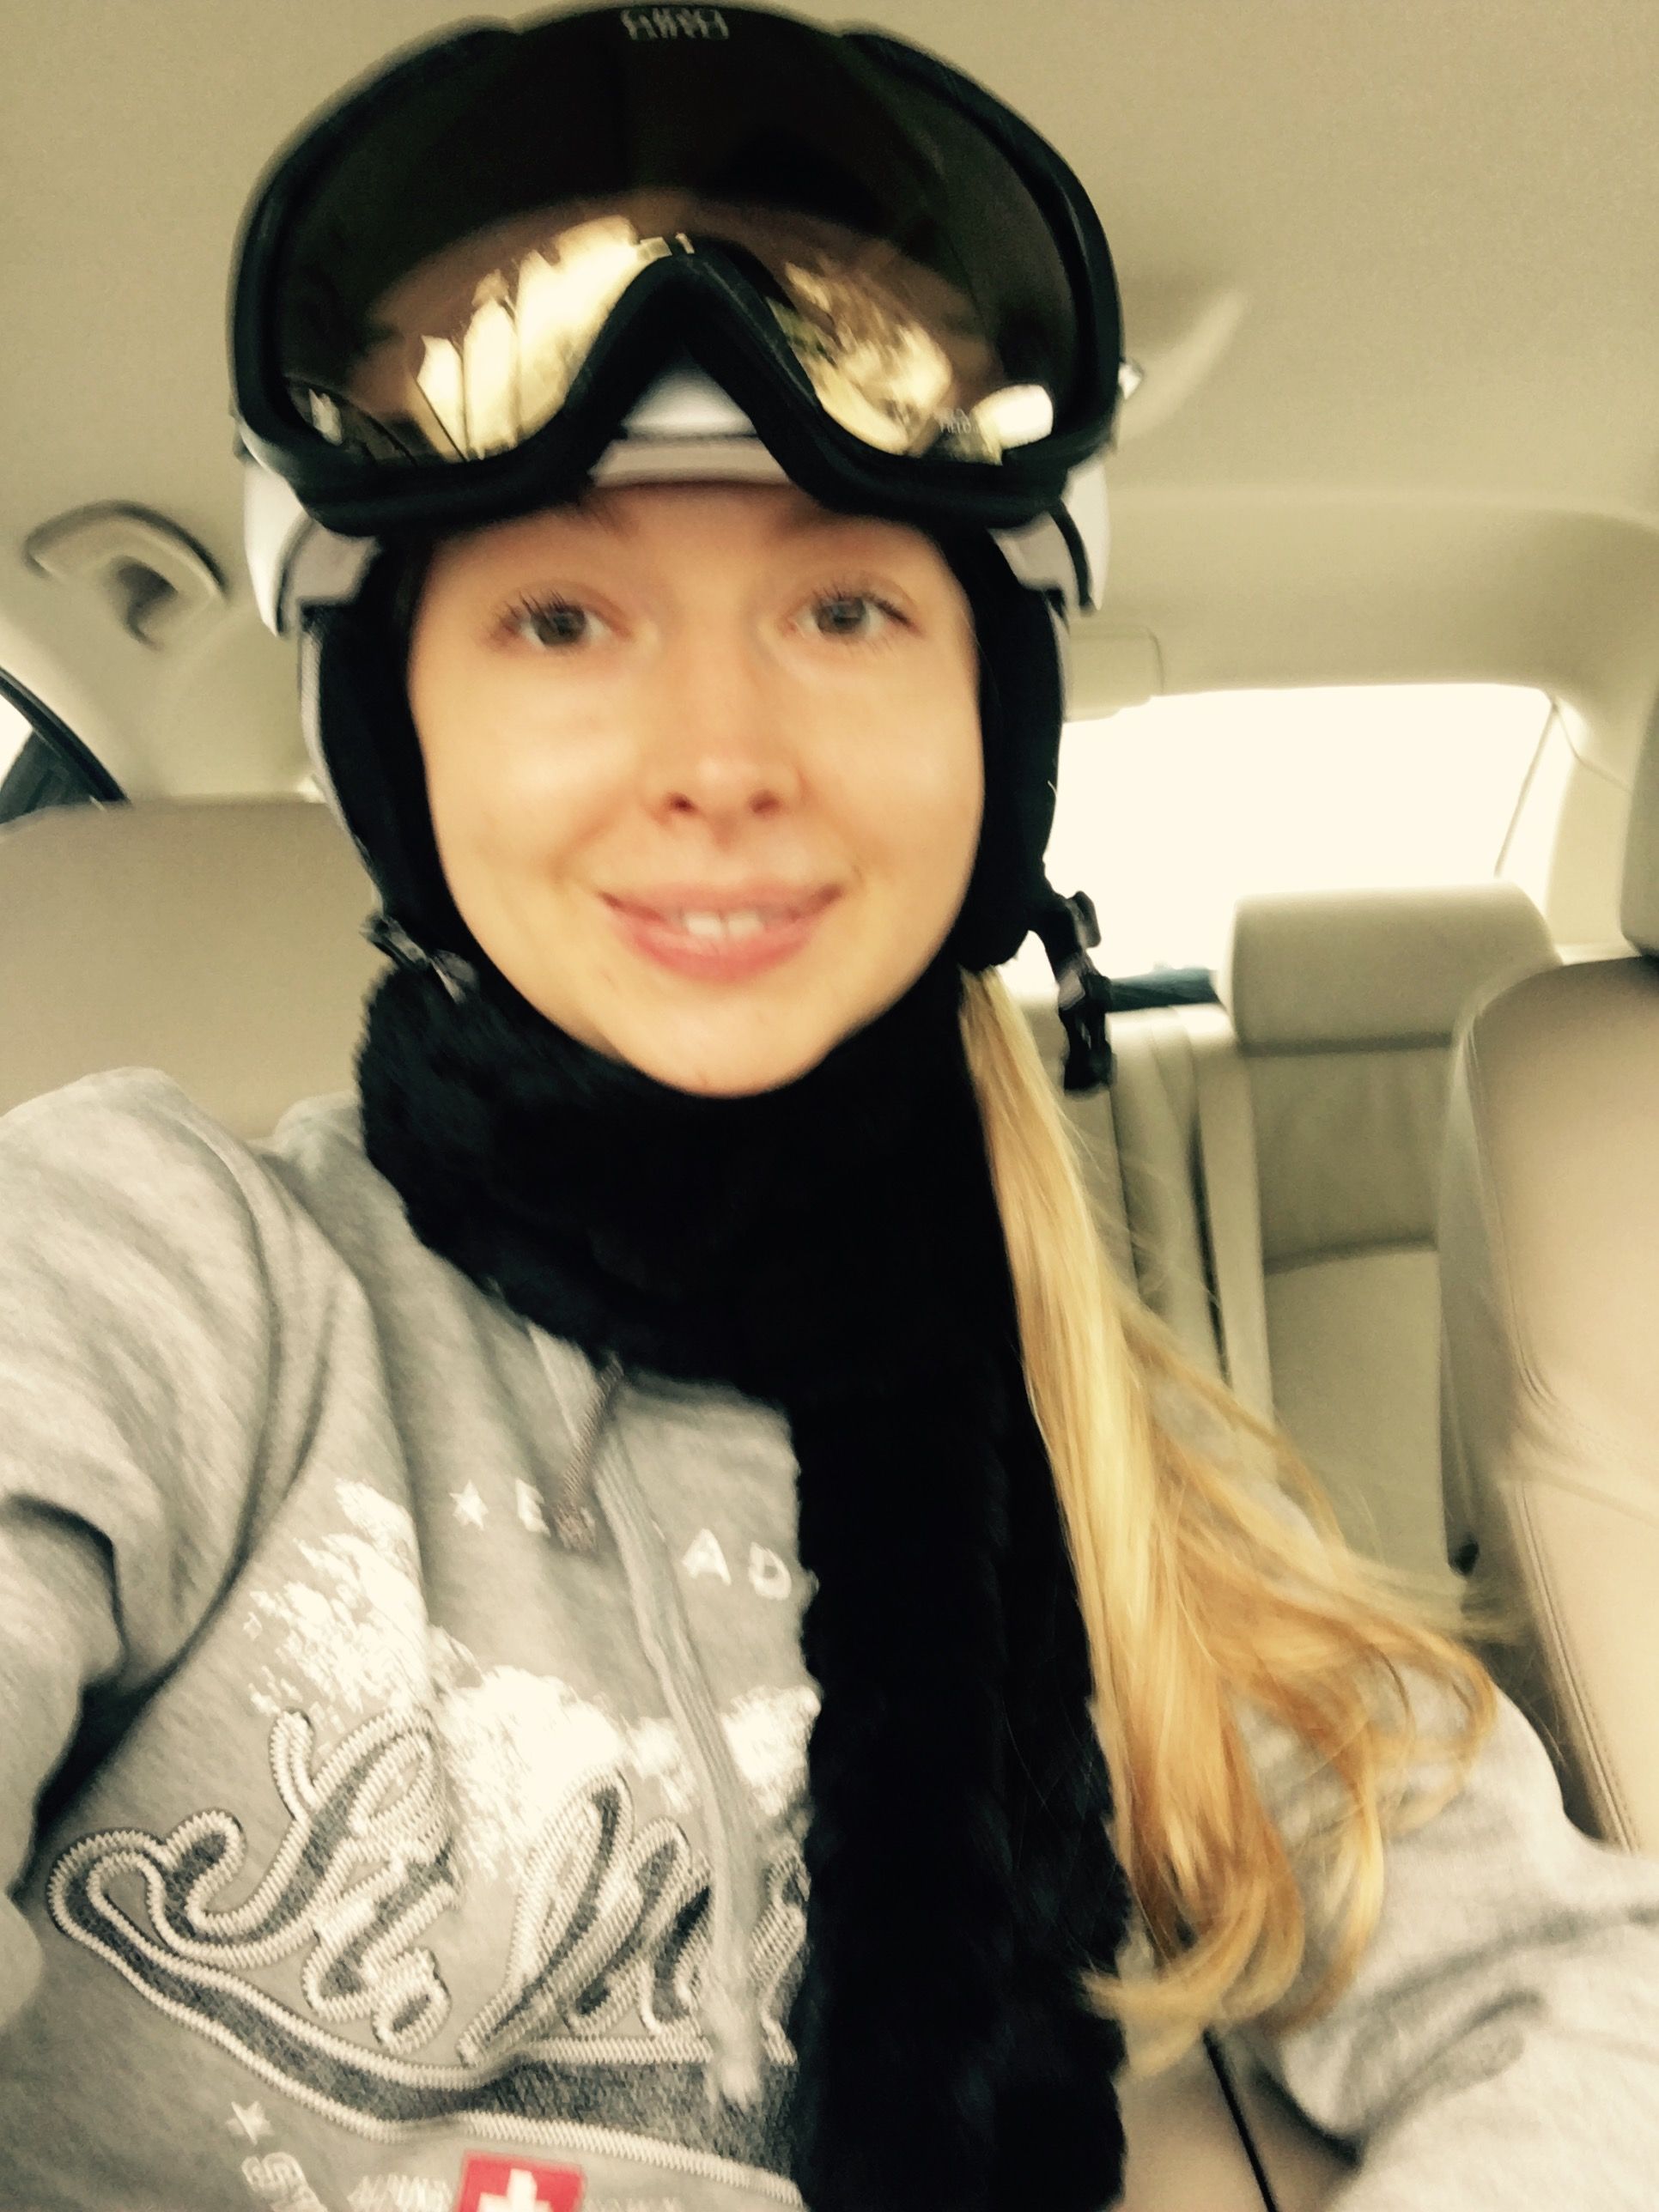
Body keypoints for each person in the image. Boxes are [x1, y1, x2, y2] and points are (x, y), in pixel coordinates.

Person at [1, 7, 1657, 2210]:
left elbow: (1580, 1996)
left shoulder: (1105, 1491)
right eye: (561, 617)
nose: (721, 755)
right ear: (396, 743)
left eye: (850, 604)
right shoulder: (151, 1266)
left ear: (998, 731)